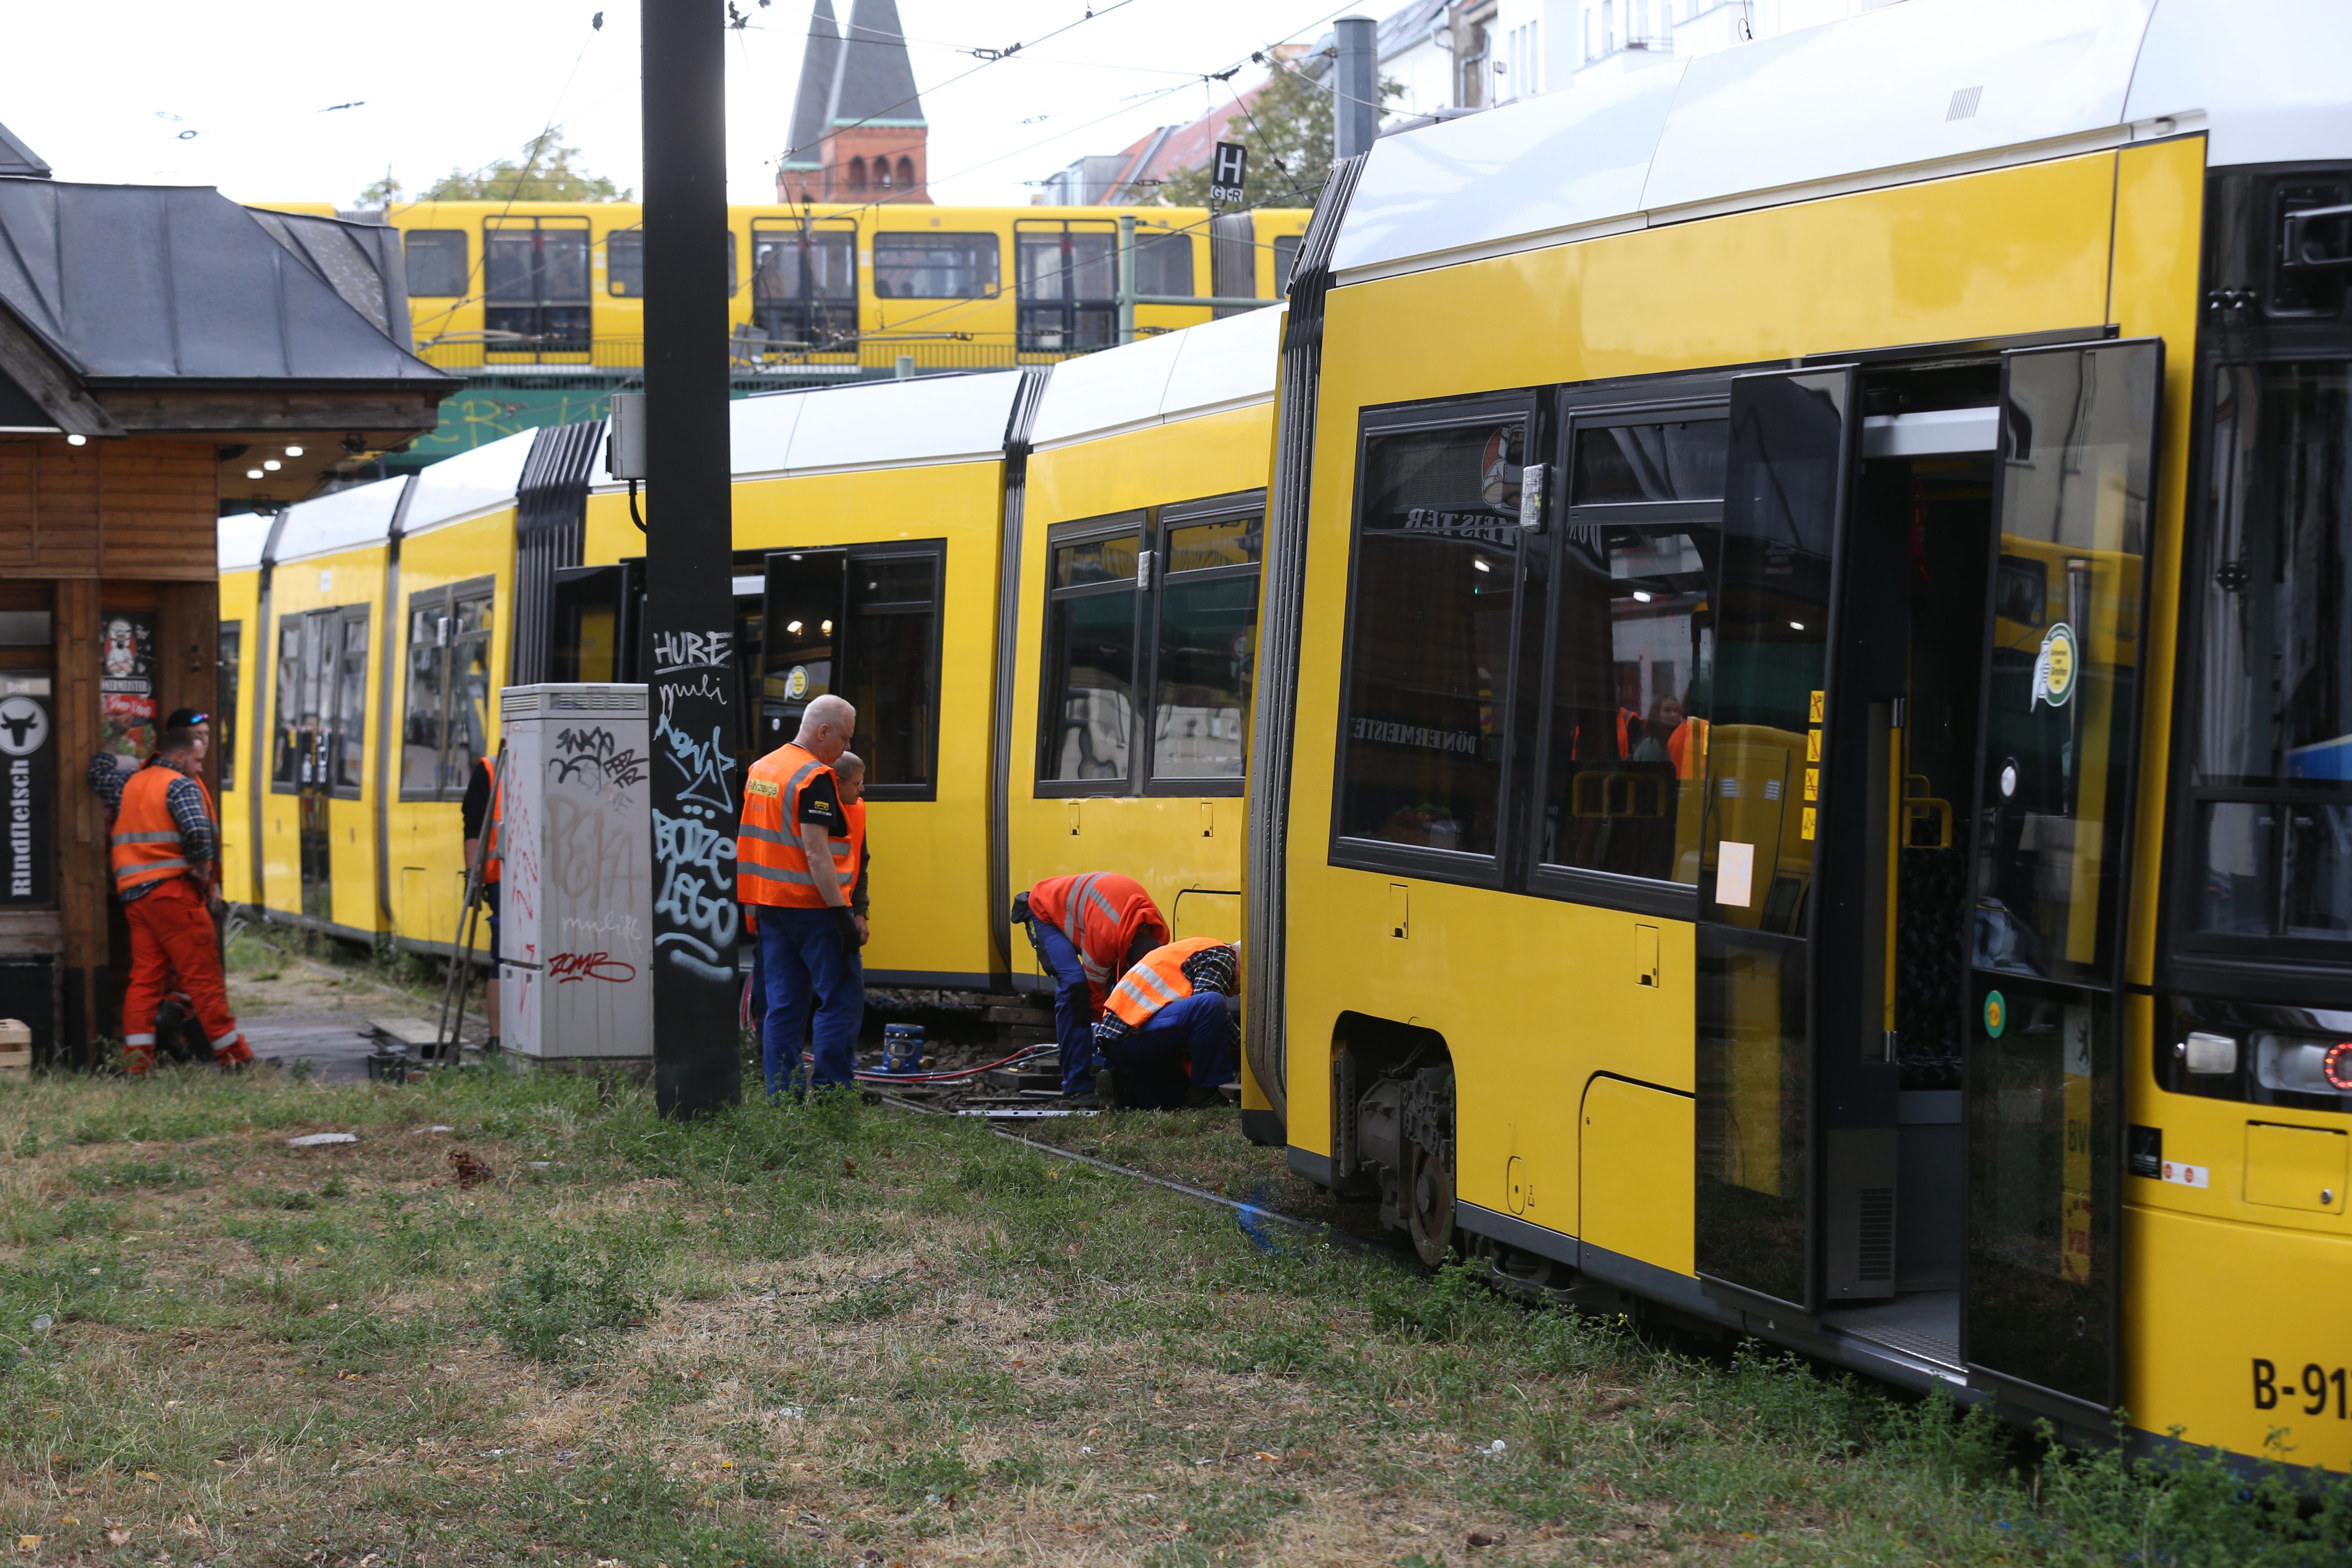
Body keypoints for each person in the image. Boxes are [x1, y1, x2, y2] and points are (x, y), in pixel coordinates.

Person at [86, 708, 251, 1074]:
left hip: (136, 897)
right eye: (197, 761)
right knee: (204, 977)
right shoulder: (180, 785)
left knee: (144, 980)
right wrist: (203, 875)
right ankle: (236, 1057)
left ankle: (137, 1064)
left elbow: (96, 775)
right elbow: (198, 834)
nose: (200, 769)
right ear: (179, 756)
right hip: (174, 893)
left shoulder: (132, 782)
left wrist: (114, 735)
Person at [738, 694, 862, 1096]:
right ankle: (832, 1092)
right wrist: (841, 914)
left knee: (784, 1003)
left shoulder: (764, 767)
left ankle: (784, 1096)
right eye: (844, 738)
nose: (846, 747)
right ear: (823, 731)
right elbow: (816, 851)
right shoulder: (815, 777)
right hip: (812, 906)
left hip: (770, 903)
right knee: (840, 997)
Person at [1015, 872, 1168, 1099]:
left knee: (1120, 1001)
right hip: (1044, 911)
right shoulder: (1105, 938)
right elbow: (1095, 999)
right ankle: (1076, 1086)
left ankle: (1118, 1077)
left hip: (1094, 917)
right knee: (1075, 988)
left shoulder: (1161, 939)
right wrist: (1122, 1031)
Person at [1088, 936, 1240, 1110]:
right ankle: (1206, 1096)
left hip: (1125, 1038)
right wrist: (1244, 1047)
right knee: (1212, 1004)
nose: (1239, 993)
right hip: (1130, 1031)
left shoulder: (1200, 950)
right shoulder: (1226, 956)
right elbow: (1207, 1004)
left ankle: (1124, 1087)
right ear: (1245, 964)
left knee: (1171, 1101)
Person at [459, 751, 503, 1050]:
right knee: (504, 958)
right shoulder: (491, 768)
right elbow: (474, 826)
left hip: (514, 878)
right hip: (503, 878)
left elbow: (472, 826)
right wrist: (473, 875)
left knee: (503, 958)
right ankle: (498, 1038)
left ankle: (498, 1040)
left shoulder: (491, 767)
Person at [836, 751, 870, 947]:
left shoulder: (857, 809)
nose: (862, 789)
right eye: (857, 784)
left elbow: (861, 864)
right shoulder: (814, 811)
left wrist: (860, 913)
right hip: (819, 913)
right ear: (838, 783)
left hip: (845, 909)